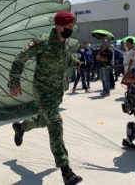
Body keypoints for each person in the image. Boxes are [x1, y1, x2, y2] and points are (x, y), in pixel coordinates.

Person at [9, 11, 82, 185]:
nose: (70, 28)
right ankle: (66, 171)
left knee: (44, 120)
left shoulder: (65, 44)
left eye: (72, 26)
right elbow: (19, 59)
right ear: (58, 25)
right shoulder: (41, 41)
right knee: (55, 123)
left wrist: (80, 63)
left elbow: (67, 59)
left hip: (56, 92)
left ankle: (22, 127)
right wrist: (14, 82)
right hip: (42, 91)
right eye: (68, 26)